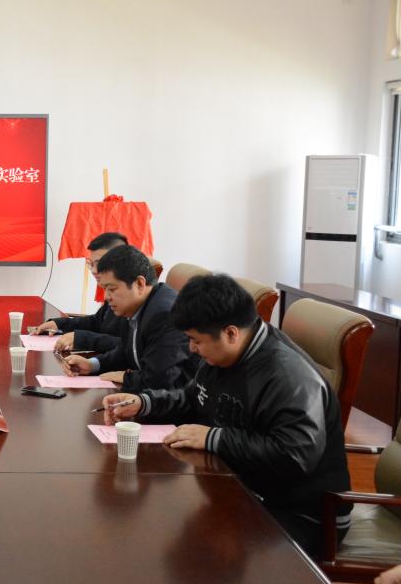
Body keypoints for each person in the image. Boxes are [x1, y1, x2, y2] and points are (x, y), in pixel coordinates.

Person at [102, 274, 352, 560]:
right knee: (155, 523)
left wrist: (214, 438)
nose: (192, 349)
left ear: (231, 333)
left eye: (196, 340)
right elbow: (192, 398)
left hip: (303, 515)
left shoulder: (290, 377)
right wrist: (144, 403)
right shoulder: (225, 354)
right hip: (244, 487)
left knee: (184, 544)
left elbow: (294, 456)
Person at [61, 244, 192, 390]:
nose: (106, 297)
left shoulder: (164, 314)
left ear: (139, 283)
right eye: (104, 289)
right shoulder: (136, 305)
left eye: (112, 289)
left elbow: (160, 380)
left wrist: (125, 377)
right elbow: (127, 351)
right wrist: (92, 364)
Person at [34, 231, 128, 353]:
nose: (94, 270)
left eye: (99, 264)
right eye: (91, 264)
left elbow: (130, 345)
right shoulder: (112, 291)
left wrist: (82, 338)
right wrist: (59, 324)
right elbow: (96, 322)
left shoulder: (134, 295)